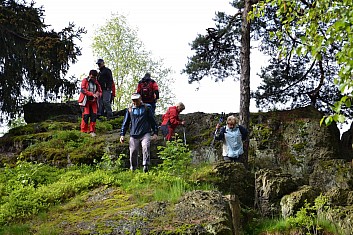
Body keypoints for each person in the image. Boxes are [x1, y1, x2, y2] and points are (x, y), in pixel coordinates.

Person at [120, 93, 158, 172]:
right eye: (133, 101)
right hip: (133, 134)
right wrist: (122, 134)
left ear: (140, 100)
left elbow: (152, 120)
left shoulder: (147, 108)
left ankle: (145, 165)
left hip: (145, 132)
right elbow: (125, 122)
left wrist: (155, 132)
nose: (135, 102)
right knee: (133, 151)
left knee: (145, 146)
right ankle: (133, 168)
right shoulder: (129, 109)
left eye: (136, 100)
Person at [78, 70, 102, 137]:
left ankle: (92, 131)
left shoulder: (96, 83)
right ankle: (83, 131)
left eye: (94, 77)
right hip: (85, 101)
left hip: (94, 102)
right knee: (86, 115)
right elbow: (83, 90)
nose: (93, 78)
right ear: (89, 75)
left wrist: (98, 94)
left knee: (94, 115)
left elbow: (100, 91)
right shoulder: (85, 80)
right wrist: (91, 94)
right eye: (92, 77)